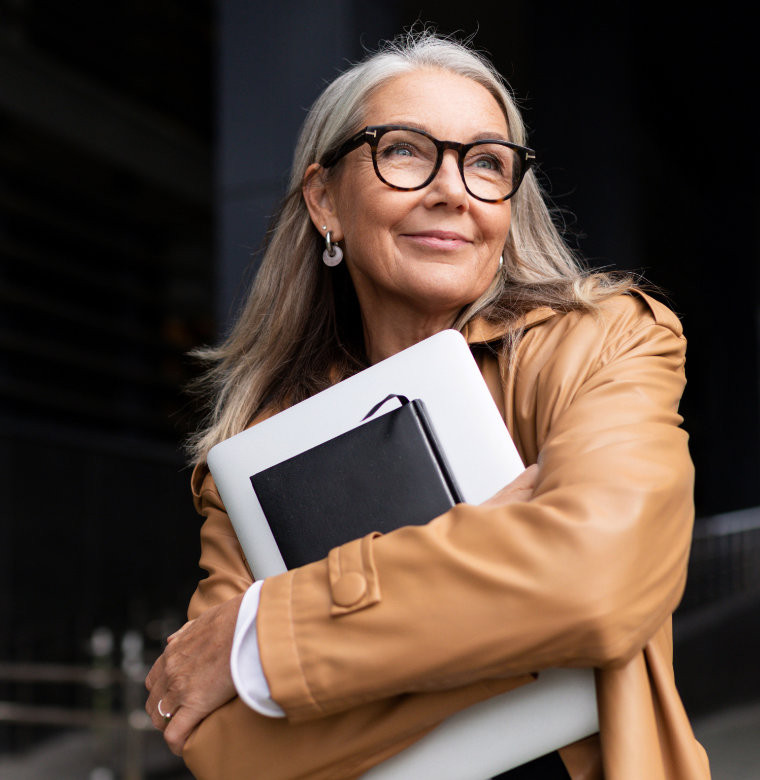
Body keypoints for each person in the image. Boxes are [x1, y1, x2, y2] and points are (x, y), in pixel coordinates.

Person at [145, 31, 711, 780]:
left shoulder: (604, 341)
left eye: (486, 163)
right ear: (324, 199)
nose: (453, 190)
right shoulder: (257, 452)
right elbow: (228, 751)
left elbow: (599, 583)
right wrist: (519, 600)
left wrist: (263, 639)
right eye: (405, 151)